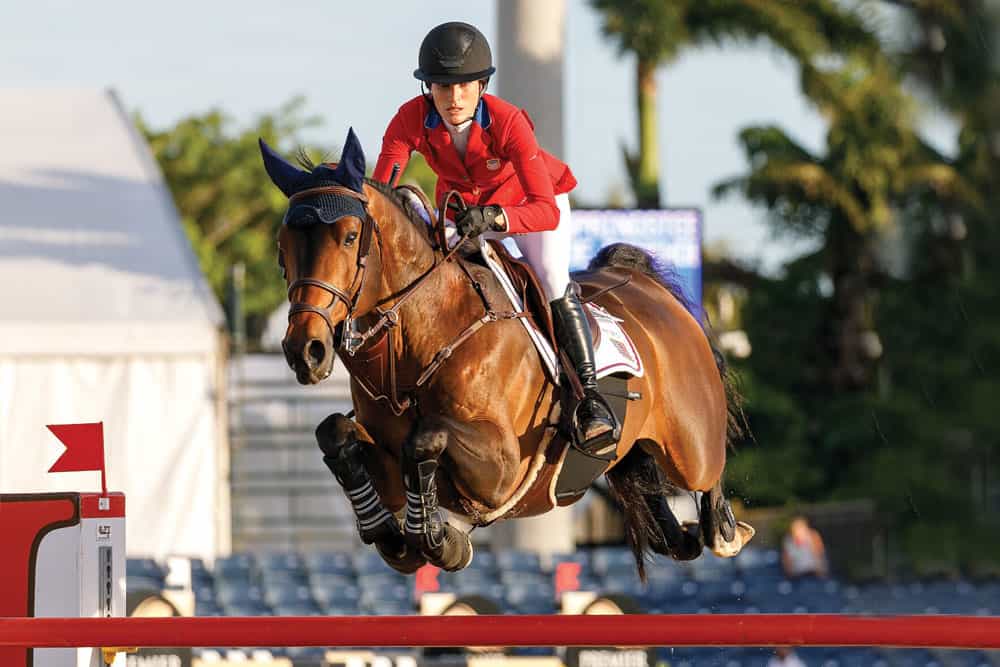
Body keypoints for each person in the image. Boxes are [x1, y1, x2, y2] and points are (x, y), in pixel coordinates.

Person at [372, 21, 619, 455]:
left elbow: (544, 209)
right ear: (428, 87)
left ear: (481, 85)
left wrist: (496, 217)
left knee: (550, 278)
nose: (454, 98)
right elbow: (381, 188)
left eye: (464, 86)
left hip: (527, 206)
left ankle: (590, 398)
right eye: (442, 87)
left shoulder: (508, 122)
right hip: (464, 212)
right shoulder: (409, 118)